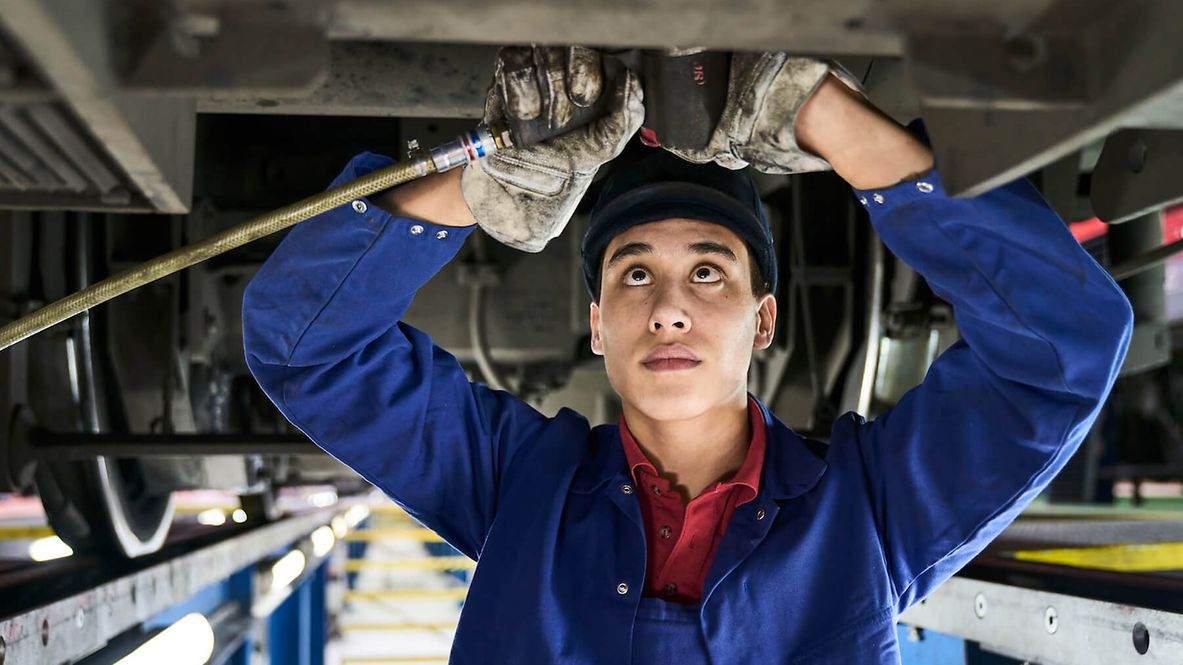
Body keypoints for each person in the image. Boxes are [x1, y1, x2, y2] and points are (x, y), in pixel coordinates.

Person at [242, 46, 1132, 663]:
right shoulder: (866, 518)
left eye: (708, 272)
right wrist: (821, 117)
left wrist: (491, 179)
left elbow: (307, 349)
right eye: (634, 274)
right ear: (597, 326)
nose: (668, 308)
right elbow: (1061, 350)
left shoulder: (519, 499)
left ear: (763, 320)